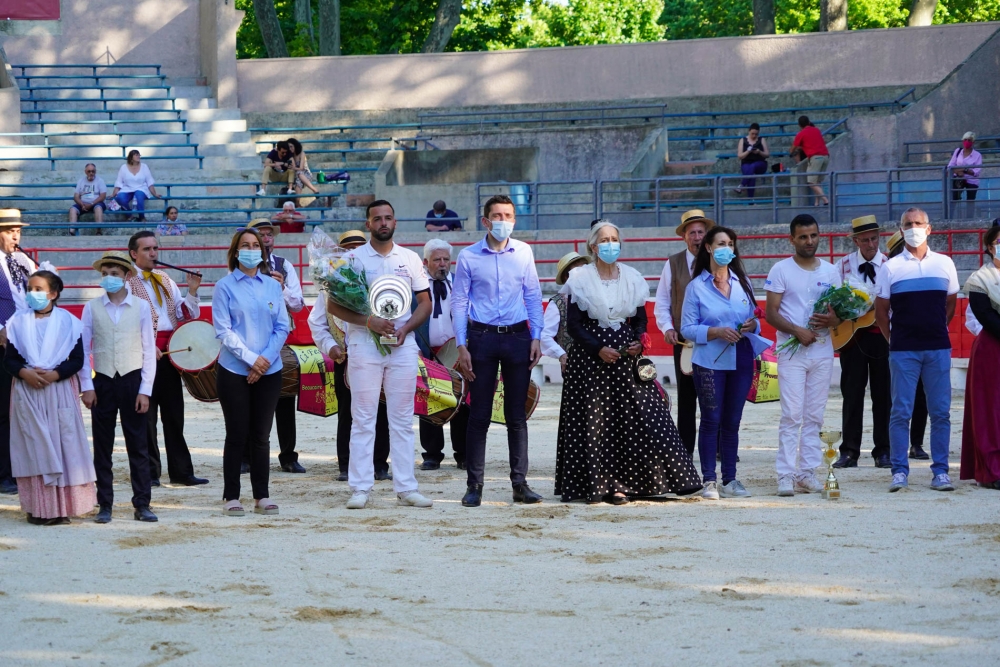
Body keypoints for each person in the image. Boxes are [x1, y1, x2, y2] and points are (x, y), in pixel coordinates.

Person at [555, 220, 701, 504]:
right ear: (594, 247)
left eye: (615, 239)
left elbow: (640, 319)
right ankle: (606, 486)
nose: (611, 244)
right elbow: (574, 325)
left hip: (626, 355)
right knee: (598, 423)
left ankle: (665, 479)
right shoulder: (580, 278)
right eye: (605, 240)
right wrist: (598, 349)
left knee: (645, 416)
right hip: (590, 359)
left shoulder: (633, 277)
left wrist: (637, 339)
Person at [326, 200, 434, 510]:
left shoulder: (410, 259)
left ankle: (406, 487)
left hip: (401, 345)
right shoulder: (352, 259)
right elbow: (334, 305)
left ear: (395, 222)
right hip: (363, 343)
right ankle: (360, 487)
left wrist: (406, 328)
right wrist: (367, 321)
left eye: (388, 217)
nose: (383, 222)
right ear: (368, 223)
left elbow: (425, 303)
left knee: (401, 419)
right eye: (377, 218)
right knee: (363, 418)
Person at [452, 194, 545, 507]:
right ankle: (474, 486)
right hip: (482, 338)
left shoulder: (524, 252)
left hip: (518, 336)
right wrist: (461, 344)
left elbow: (533, 294)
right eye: (496, 215)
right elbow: (460, 301)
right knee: (478, 415)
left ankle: (520, 484)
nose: (502, 221)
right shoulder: (467, 257)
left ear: (514, 220)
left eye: (508, 215)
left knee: (516, 415)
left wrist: (537, 336)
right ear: (485, 221)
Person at [681, 225, 771, 499]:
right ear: (708, 247)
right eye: (721, 244)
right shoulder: (696, 287)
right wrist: (716, 331)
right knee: (711, 419)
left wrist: (751, 325)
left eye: (730, 244)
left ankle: (730, 479)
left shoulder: (742, 283)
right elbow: (686, 328)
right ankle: (709, 479)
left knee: (732, 421)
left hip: (741, 357)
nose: (726, 249)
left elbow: (755, 322)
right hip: (709, 360)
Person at [875, 207, 959, 492]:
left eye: (918, 223)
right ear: (901, 230)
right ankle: (900, 470)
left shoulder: (945, 263)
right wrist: (895, 340)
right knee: (900, 411)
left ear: (929, 228)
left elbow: (950, 304)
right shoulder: (890, 267)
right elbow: (881, 311)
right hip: (903, 350)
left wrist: (933, 329)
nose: (913, 227)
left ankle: (941, 472)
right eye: (908, 224)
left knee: (941, 412)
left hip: (937, 347)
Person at [6, 270, 94, 525]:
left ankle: (62, 508)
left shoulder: (69, 322)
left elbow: (77, 359)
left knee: (62, 445)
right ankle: (37, 508)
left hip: (59, 390)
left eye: (39, 289)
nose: (32, 294)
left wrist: (55, 375)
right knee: (33, 446)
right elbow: (10, 359)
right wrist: (25, 373)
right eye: (30, 289)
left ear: (53, 294)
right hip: (27, 389)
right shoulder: (17, 322)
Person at [214, 228, 290, 516]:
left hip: (270, 370)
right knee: (236, 433)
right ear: (235, 252)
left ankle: (261, 495)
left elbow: (282, 325)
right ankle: (231, 495)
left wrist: (265, 360)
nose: (250, 249)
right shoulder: (224, 286)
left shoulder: (272, 286)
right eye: (244, 245)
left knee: (261, 434)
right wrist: (251, 360)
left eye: (255, 244)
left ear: (262, 250)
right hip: (234, 369)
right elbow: (224, 329)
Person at [306, 229, 392, 483]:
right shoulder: (329, 288)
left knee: (381, 409)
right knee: (348, 411)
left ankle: (379, 463)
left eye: (358, 247)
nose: (353, 252)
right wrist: (330, 346)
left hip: (377, 355)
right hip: (345, 358)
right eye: (348, 248)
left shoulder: (377, 279)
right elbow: (317, 323)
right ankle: (346, 463)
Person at [765, 214, 841, 497]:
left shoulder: (831, 272)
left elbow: (838, 314)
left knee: (814, 415)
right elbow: (771, 313)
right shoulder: (781, 270)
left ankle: (806, 472)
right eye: (803, 237)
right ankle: (785, 474)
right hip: (792, 352)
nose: (810, 241)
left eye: (813, 235)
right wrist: (797, 331)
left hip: (822, 350)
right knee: (792, 414)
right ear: (792, 239)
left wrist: (834, 321)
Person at [80, 251, 158, 523]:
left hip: (132, 379)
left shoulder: (141, 307)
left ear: (126, 276)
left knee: (138, 444)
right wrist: (87, 385)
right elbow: (83, 349)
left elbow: (149, 349)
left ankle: (142, 503)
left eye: (115, 273)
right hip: (102, 380)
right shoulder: (91, 308)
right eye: (105, 274)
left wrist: (145, 390)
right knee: (103, 446)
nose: (109, 278)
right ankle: (105, 504)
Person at [127, 231, 208, 487]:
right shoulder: (126, 282)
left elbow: (182, 314)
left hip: (170, 356)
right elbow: (125, 323)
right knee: (146, 417)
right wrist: (145, 347)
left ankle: (181, 471)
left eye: (155, 248)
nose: (153, 254)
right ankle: (149, 473)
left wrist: (192, 291)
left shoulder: (165, 278)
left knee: (174, 415)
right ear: (133, 254)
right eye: (147, 249)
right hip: (142, 357)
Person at [246, 219, 305, 473]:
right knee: (248, 398)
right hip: (249, 339)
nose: (267, 238)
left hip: (279, 338)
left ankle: (288, 456)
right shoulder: (241, 267)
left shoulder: (285, 265)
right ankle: (248, 456)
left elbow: (299, 304)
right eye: (262, 234)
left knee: (284, 397)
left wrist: (281, 288)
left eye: (270, 234)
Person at [653, 209, 714, 456]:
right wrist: (667, 328)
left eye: (701, 232)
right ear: (684, 237)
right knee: (687, 399)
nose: (697, 237)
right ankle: (685, 450)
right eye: (692, 233)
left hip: (714, 340)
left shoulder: (718, 260)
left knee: (714, 397)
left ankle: (717, 447)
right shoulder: (673, 263)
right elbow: (662, 302)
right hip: (684, 341)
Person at [832, 215, 891, 470]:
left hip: (882, 336)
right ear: (855, 240)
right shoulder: (841, 265)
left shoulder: (891, 264)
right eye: (865, 239)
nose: (870, 244)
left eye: (874, 238)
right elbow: (831, 300)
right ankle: (849, 451)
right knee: (852, 394)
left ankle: (884, 450)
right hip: (852, 336)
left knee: (884, 395)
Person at [414, 238, 469, 470]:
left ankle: (464, 453)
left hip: (457, 352)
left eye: (446, 259)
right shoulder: (415, 285)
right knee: (430, 400)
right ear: (426, 262)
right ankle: (432, 454)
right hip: (426, 351)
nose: (443, 264)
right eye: (437, 259)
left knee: (462, 402)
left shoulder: (461, 283)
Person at [0, 209, 37, 495]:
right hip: (2, 343)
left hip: (25, 342)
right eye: (10, 230)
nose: (16, 235)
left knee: (24, 409)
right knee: (2, 410)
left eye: (18, 230)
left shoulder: (24, 261)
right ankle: (4, 473)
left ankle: (23, 468)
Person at [961, 222, 1000, 489]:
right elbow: (987, 318)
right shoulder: (979, 280)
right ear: (989, 246)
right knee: (991, 410)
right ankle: (993, 469)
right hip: (993, 349)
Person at [541, 251, 590, 375]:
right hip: (573, 362)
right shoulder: (557, 303)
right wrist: (562, 354)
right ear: (566, 277)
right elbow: (545, 335)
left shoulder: (598, 298)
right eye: (577, 270)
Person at [111, 150, 160, 222]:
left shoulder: (144, 166)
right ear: (131, 157)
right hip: (127, 188)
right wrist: (113, 194)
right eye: (136, 155)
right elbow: (119, 182)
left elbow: (149, 181)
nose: (138, 156)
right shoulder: (123, 167)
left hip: (141, 188)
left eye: (139, 155)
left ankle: (142, 217)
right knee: (120, 197)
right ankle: (130, 215)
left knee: (139, 195)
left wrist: (155, 194)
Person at [791, 116, 830, 206]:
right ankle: (816, 203)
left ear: (799, 125)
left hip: (816, 158)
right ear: (809, 122)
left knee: (811, 183)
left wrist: (792, 152)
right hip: (825, 156)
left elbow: (792, 149)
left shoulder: (801, 134)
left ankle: (825, 200)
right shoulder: (816, 130)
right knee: (817, 182)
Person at [69, 163, 106, 235]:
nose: (91, 173)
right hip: (83, 203)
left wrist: (91, 204)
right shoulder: (81, 181)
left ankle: (99, 231)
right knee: (72, 209)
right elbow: (76, 196)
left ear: (95, 171)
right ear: (85, 172)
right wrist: (81, 204)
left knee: (98, 208)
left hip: (96, 203)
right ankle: (71, 231)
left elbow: (103, 196)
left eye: (93, 171)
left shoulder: (100, 181)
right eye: (89, 171)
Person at [736, 123, 770, 198]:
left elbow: (767, 154)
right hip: (746, 163)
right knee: (751, 173)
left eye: (756, 134)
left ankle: (741, 185)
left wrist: (759, 152)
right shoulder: (742, 140)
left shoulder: (762, 139)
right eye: (752, 134)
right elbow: (740, 156)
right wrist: (748, 151)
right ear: (749, 131)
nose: (754, 136)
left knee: (753, 166)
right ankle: (750, 200)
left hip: (760, 164)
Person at [948, 131, 982, 202]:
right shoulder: (957, 151)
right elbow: (951, 165)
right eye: (965, 140)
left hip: (972, 181)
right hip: (958, 178)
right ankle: (951, 213)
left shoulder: (977, 155)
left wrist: (963, 170)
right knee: (953, 199)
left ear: (973, 142)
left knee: (970, 201)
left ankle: (969, 213)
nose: (967, 142)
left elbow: (976, 172)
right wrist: (958, 172)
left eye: (969, 140)